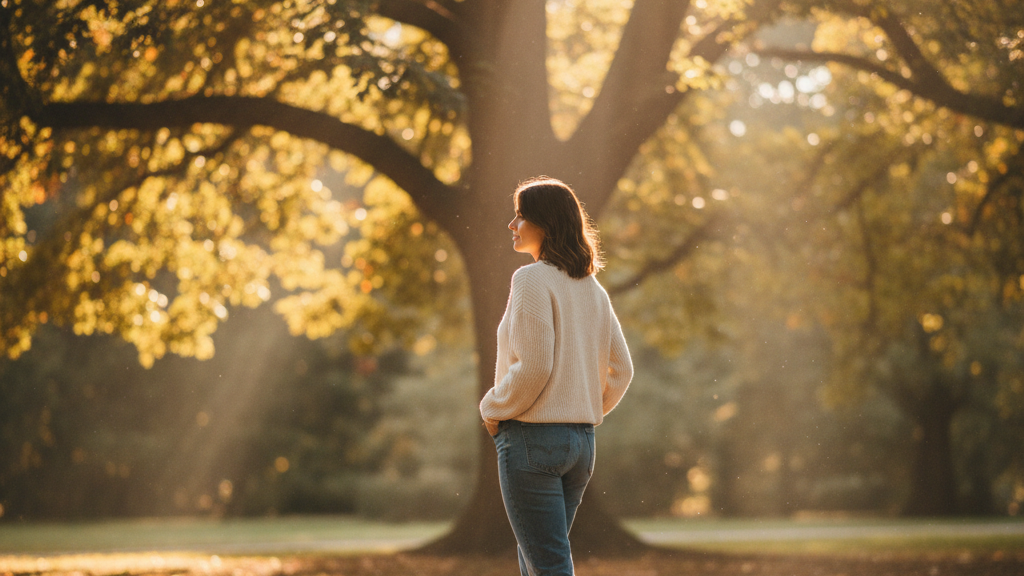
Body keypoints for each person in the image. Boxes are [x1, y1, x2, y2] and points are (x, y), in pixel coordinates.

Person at [480, 176, 633, 576]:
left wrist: (493, 408)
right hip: (581, 444)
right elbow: (623, 370)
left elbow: (534, 366)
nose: (512, 225)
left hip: (532, 439)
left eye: (520, 216)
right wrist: (581, 409)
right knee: (539, 561)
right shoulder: (592, 289)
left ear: (544, 223)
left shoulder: (530, 278)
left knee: (547, 565)